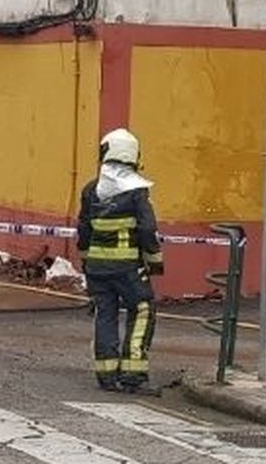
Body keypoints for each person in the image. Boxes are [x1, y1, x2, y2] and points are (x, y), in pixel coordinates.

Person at [77, 128, 162, 394]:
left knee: (105, 314)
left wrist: (86, 262)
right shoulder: (136, 191)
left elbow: (83, 230)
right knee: (143, 310)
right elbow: (147, 229)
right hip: (128, 269)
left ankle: (106, 375)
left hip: (97, 270)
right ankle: (132, 375)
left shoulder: (92, 190)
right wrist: (155, 260)